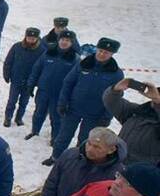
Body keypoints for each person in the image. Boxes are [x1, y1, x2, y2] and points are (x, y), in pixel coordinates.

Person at [43, 38, 125, 166]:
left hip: (94, 114)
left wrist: (106, 116)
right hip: (73, 109)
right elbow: (68, 83)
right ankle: (55, 157)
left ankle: (79, 161)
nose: (102, 54)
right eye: (101, 50)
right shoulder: (84, 64)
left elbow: (115, 98)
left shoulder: (116, 74)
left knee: (86, 140)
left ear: (112, 54)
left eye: (106, 52)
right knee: (63, 136)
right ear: (97, 49)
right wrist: (62, 102)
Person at [25, 30, 79, 143]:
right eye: (62, 39)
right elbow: (36, 69)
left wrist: (70, 97)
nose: (64, 42)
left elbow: (76, 81)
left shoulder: (75, 59)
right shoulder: (48, 53)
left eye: (68, 41)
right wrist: (30, 84)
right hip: (43, 91)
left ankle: (55, 138)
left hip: (59, 94)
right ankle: (35, 131)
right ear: (58, 40)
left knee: (56, 118)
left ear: (72, 43)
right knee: (39, 112)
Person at [103, 79, 160, 165]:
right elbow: (111, 102)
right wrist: (115, 90)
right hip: (116, 162)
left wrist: (158, 102)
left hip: (141, 171)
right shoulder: (138, 111)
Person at [2, 27, 46, 127]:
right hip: (16, 79)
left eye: (33, 38)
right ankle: (8, 118)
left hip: (29, 82)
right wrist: (6, 74)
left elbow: (42, 68)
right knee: (12, 101)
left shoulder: (42, 51)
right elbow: (8, 61)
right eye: (29, 37)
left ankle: (19, 118)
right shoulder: (17, 46)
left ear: (37, 38)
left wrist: (37, 81)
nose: (31, 40)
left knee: (24, 102)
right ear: (25, 37)